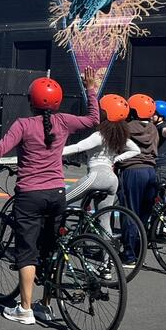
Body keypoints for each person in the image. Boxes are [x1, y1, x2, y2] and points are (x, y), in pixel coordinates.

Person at [0, 68, 100, 324]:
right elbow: (93, 119)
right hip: (57, 193)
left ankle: (25, 309)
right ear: (57, 101)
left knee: (27, 252)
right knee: (51, 249)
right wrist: (91, 89)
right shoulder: (64, 121)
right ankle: (45, 304)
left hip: (30, 194)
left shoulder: (23, 125)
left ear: (31, 100)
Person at [62, 93, 140, 231]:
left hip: (96, 177)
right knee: (104, 221)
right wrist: (115, 159)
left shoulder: (99, 136)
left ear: (106, 114)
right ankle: (107, 251)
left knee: (60, 201)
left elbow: (78, 147)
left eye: (100, 110)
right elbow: (136, 150)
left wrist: (51, 152)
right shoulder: (120, 136)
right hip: (112, 180)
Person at [117, 93, 160, 228]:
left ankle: (130, 248)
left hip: (132, 170)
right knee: (144, 213)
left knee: (130, 211)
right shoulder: (153, 128)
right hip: (151, 171)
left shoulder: (126, 127)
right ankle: (139, 245)